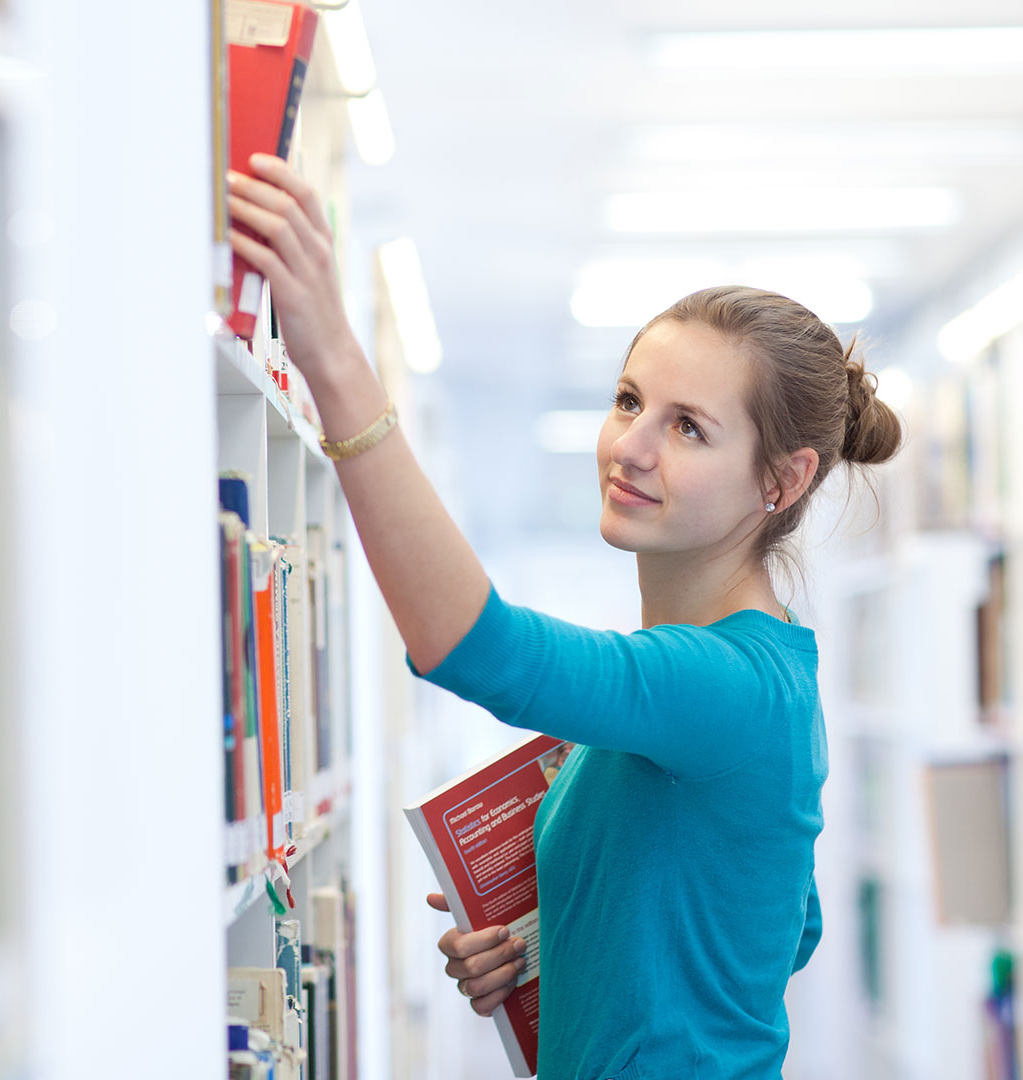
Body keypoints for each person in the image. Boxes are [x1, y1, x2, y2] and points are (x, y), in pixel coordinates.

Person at [226, 152, 902, 1078]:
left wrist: (335, 360)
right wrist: (548, 940)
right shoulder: (750, 677)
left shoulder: (729, 683)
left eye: (688, 427)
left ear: (780, 482)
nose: (630, 446)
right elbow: (790, 925)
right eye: (629, 401)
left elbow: (483, 648)